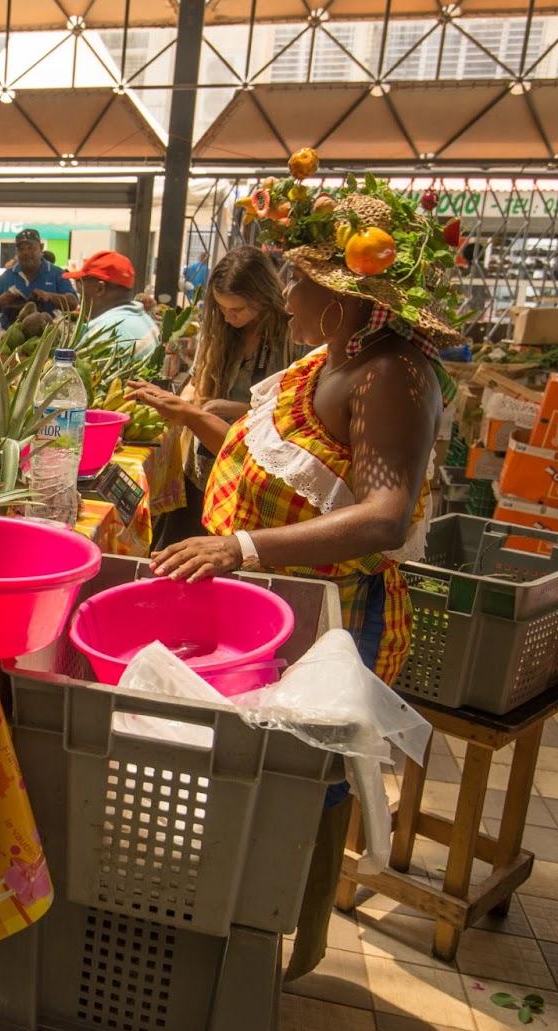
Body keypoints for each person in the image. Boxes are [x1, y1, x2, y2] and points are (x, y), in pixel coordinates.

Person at [127, 169, 459, 981]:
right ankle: (230, 935)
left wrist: (242, 549)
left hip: (333, 624)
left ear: (346, 296)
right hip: (275, 614)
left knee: (303, 793)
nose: (286, 288)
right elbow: (277, 441)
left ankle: (277, 961)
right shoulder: (332, 356)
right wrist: (192, 416)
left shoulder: (395, 376)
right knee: (251, 781)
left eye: (299, 275)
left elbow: (386, 513)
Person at [157, 245, 295, 544]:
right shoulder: (219, 328)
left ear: (264, 298)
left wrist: (236, 409)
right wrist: (184, 404)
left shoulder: (291, 335)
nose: (229, 316)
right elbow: (196, 379)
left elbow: (296, 410)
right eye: (221, 308)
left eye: (238, 310)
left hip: (252, 477)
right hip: (201, 469)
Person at [67, 250, 157, 359]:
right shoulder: (144, 319)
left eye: (81, 287)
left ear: (100, 289)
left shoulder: (103, 336)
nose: (80, 295)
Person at [0, 229, 76, 330]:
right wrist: (1, 300)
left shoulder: (57, 274)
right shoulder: (7, 276)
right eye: (21, 249)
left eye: (30, 248)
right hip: (10, 341)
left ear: (41, 249)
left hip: (48, 339)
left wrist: (49, 296)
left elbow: (73, 302)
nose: (26, 253)